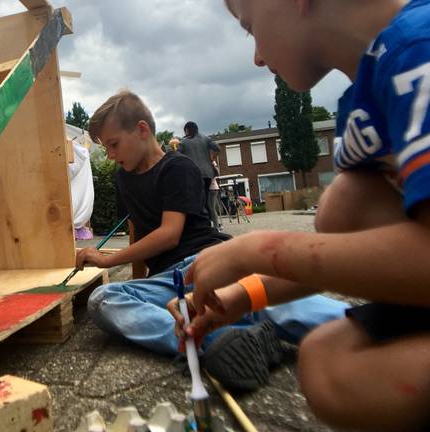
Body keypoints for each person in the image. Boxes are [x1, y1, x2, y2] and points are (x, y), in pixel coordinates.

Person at [173, 1, 430, 430]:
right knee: (324, 359)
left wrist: (259, 249)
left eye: (250, 26)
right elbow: (342, 257)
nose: (256, 56)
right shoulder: (363, 96)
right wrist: (239, 298)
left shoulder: (417, 50)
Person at [76, 90, 347, 391]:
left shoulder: (178, 167)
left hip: (210, 262)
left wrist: (107, 260)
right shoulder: (122, 178)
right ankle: (223, 340)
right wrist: (137, 283)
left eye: (113, 144)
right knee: (104, 299)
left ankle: (372, 327)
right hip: (170, 283)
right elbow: (137, 230)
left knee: (267, 299)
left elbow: (169, 234)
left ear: (142, 130)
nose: (110, 155)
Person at [178, 121, 221, 227]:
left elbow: (177, 154)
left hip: (194, 174)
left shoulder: (183, 142)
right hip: (207, 174)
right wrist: (212, 157)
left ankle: (203, 225)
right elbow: (217, 148)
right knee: (205, 199)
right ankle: (209, 224)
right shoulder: (206, 138)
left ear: (187, 130)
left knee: (197, 200)